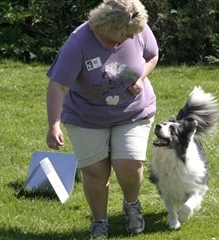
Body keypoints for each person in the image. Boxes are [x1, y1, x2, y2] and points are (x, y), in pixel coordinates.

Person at [45, 0, 159, 238]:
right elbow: (58, 85)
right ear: (110, 26)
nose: (130, 38)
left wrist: (141, 78)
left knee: (128, 164)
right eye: (126, 35)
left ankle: (131, 204)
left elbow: (152, 55)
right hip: (86, 114)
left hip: (132, 111)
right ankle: (99, 222)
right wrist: (54, 124)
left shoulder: (137, 27)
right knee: (95, 171)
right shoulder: (78, 43)